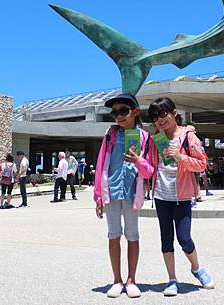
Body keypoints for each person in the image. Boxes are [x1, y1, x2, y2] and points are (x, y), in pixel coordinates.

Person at [147, 96, 214, 296]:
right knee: (166, 239)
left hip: (182, 196)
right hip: (161, 196)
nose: (160, 119)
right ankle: (172, 279)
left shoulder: (188, 137)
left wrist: (180, 157)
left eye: (163, 114)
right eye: (155, 117)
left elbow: (202, 164)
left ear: (174, 113)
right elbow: (151, 166)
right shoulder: (155, 139)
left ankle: (197, 269)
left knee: (184, 238)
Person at [94, 92, 153, 298]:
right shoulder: (110, 135)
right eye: (114, 112)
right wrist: (98, 197)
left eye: (123, 111)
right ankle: (117, 280)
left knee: (133, 236)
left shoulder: (145, 138)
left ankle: (131, 280)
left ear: (135, 112)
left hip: (131, 192)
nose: (118, 116)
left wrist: (139, 160)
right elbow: (101, 164)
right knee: (113, 235)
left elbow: (149, 172)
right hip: (111, 190)